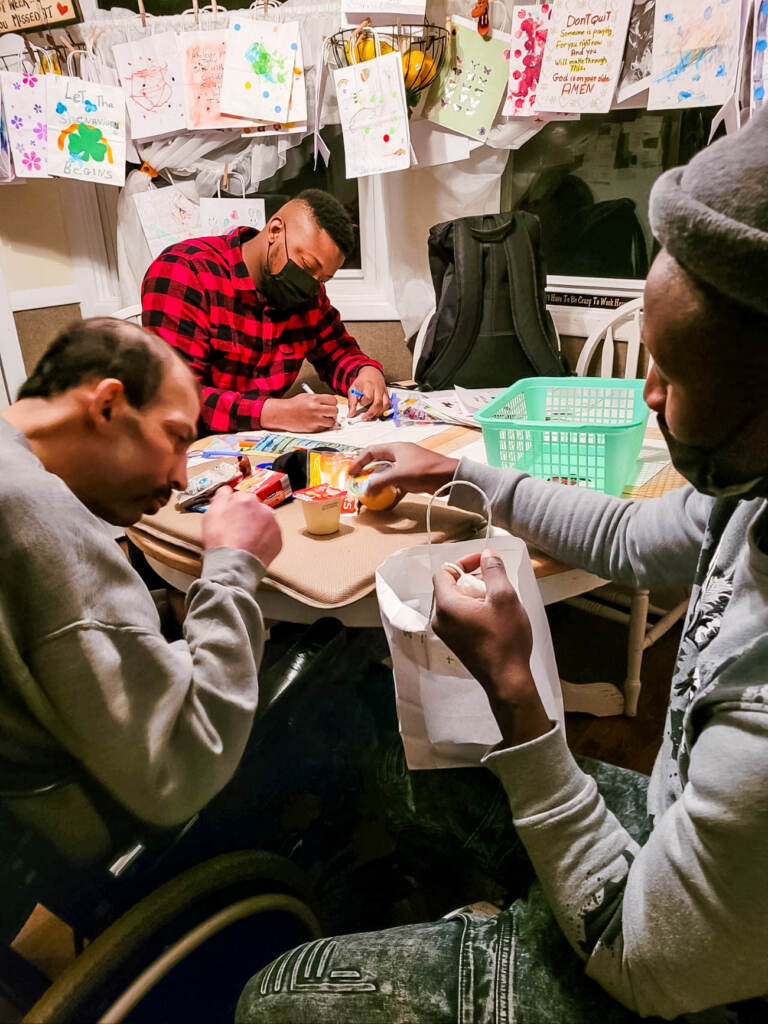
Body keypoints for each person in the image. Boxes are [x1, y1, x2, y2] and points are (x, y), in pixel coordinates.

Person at [237, 112, 768, 1020]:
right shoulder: (750, 491)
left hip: (670, 977)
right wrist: (461, 470)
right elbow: (638, 540)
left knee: (275, 996)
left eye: (672, 376)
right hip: (688, 843)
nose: (647, 395)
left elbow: (647, 966)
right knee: (388, 744)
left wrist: (519, 694)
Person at [0, 317, 282, 828]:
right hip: (84, 830)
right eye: (176, 439)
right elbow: (179, 769)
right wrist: (231, 568)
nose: (179, 478)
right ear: (107, 405)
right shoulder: (35, 510)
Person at [141, 188, 389, 436]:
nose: (311, 284)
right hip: (189, 449)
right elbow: (174, 397)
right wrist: (274, 413)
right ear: (275, 231)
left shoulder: (308, 292)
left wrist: (364, 371)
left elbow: (336, 350)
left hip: (263, 447)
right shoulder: (185, 272)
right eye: (306, 266)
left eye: (322, 279)